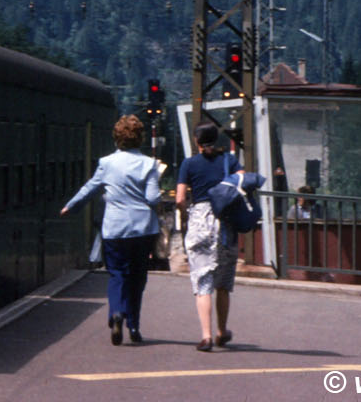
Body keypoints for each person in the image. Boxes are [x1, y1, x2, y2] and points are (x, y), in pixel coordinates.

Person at [62, 113, 163, 345]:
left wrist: (71, 206)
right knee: (138, 278)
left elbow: (90, 188)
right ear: (140, 138)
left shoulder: (106, 163)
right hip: (143, 229)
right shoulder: (149, 164)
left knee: (117, 273)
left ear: (117, 138)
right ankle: (134, 326)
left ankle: (116, 312)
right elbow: (153, 198)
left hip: (115, 228)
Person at [174, 120, 261, 351]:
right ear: (217, 138)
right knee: (222, 283)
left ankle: (206, 336)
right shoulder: (229, 161)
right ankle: (222, 331)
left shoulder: (189, 164)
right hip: (225, 225)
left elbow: (180, 199)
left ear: (196, 140)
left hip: (200, 221)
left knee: (203, 281)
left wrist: (186, 215)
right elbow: (243, 184)